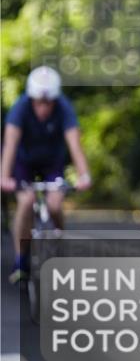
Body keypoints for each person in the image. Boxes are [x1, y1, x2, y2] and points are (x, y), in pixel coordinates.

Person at [1, 66, 91, 283]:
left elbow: (74, 144)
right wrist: (4, 176)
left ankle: (59, 245)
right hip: (24, 164)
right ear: (31, 99)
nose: (44, 108)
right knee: (26, 202)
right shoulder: (20, 108)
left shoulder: (64, 108)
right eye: (39, 103)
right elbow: (10, 144)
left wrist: (84, 174)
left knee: (55, 205)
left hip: (52, 163)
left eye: (48, 103)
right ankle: (21, 259)